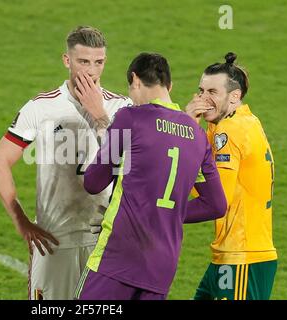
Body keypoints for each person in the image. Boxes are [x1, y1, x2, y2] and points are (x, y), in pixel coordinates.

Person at [0, 26, 132, 300]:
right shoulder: (42, 107)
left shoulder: (121, 108)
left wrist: (99, 114)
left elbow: (130, 167)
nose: (91, 71)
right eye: (83, 62)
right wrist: (20, 220)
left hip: (103, 241)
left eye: (98, 62)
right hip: (54, 242)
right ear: (67, 61)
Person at [75, 52, 227, 300]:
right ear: (170, 86)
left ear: (135, 80)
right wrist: (168, 211)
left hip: (118, 255)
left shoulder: (130, 117)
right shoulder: (198, 136)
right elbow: (216, 204)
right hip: (162, 264)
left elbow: (94, 182)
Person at [185, 52, 277, 300]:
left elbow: (216, 201)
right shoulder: (243, 122)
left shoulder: (230, 131)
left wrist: (164, 214)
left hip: (242, 257)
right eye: (201, 91)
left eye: (212, 92)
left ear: (234, 97)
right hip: (232, 255)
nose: (203, 98)